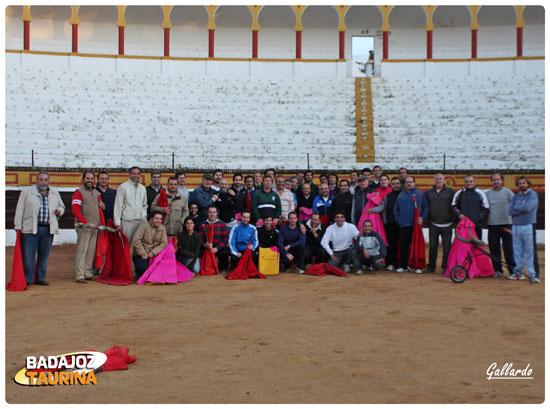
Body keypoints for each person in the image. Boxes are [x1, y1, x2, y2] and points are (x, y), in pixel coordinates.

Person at [14, 171, 65, 285]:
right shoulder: (27, 192)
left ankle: (41, 278)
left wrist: (59, 211)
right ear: (37, 180)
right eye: (41, 180)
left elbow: (62, 206)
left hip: (47, 229)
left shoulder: (54, 192)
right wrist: (18, 226)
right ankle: (28, 278)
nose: (43, 182)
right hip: (30, 228)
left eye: (45, 180)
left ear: (48, 181)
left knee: (44, 255)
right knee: (28, 256)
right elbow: (20, 209)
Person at [72, 170, 104, 283]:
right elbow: (75, 210)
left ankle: (88, 272)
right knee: (82, 250)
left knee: (90, 251)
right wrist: (85, 222)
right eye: (87, 178)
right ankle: (80, 275)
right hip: (84, 227)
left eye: (91, 178)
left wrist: (102, 205)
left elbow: (100, 206)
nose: (89, 180)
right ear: (83, 180)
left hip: (94, 226)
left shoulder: (96, 193)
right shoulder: (78, 192)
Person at [394, 176, 428, 273]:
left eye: (410, 182)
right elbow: (396, 209)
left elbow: (425, 208)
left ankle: (418, 266)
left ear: (414, 183)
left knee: (416, 246)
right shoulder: (400, 195)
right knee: (403, 246)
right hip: (403, 224)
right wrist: (398, 220)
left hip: (416, 225)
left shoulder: (420, 194)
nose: (408, 184)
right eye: (407, 182)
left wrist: (423, 218)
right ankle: (403, 266)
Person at [508, 176, 539, 283]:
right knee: (517, 251)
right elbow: (510, 211)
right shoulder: (516, 196)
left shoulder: (532, 195)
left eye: (523, 183)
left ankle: (532, 274)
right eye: (520, 183)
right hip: (516, 226)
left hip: (527, 225)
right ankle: (519, 273)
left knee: (529, 251)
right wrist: (520, 208)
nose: (522, 185)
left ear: (528, 184)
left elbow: (528, 208)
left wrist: (518, 208)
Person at [485, 172, 515, 277]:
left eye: (498, 179)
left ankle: (512, 271)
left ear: (501, 180)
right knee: (494, 248)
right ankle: (498, 270)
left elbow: (515, 204)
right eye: (494, 179)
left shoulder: (508, 192)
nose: (496, 181)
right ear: (491, 181)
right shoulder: (487, 194)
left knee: (508, 248)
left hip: (506, 224)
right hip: (492, 224)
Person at [425, 173, 455, 273]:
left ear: (444, 180)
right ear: (434, 180)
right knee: (433, 246)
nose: (438, 181)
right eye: (437, 179)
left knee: (447, 247)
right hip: (433, 224)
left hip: (447, 224)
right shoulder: (429, 192)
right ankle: (431, 267)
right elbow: (426, 206)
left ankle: (446, 267)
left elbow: (455, 206)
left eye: (440, 179)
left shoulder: (451, 192)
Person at [113, 166, 148, 244]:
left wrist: (144, 219)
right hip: (127, 222)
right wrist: (118, 224)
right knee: (127, 245)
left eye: (137, 174)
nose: (135, 175)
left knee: (139, 245)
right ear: (129, 174)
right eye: (133, 173)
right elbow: (118, 206)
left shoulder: (142, 188)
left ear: (140, 175)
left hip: (140, 221)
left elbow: (144, 205)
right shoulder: (123, 187)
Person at [130, 210, 168, 279]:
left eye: (160, 219)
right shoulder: (144, 226)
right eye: (156, 218)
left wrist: (153, 253)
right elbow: (136, 240)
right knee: (143, 269)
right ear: (151, 218)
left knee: (162, 269)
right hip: (141, 254)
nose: (158, 221)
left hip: (155, 254)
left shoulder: (162, 228)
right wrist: (143, 254)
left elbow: (164, 243)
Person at [451, 175, 489, 240]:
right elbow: (453, 207)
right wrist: (459, 214)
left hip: (476, 226)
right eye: (467, 182)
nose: (469, 183)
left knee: (477, 246)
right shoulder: (459, 193)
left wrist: (477, 219)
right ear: (464, 183)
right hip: (463, 225)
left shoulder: (480, 193)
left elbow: (486, 209)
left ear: (474, 182)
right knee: (463, 246)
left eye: (471, 181)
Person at [199, 205, 230, 270]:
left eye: (214, 212)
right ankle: (205, 267)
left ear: (216, 213)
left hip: (218, 248)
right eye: (210, 212)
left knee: (225, 253)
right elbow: (200, 239)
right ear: (207, 213)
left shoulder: (222, 224)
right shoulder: (202, 224)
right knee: (199, 252)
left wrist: (217, 248)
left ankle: (221, 267)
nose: (212, 214)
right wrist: (205, 245)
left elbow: (225, 239)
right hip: (206, 247)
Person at [382, 177, 401, 271]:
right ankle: (390, 263)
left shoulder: (404, 195)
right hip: (391, 223)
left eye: (397, 183)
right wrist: (386, 222)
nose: (396, 185)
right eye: (393, 184)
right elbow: (385, 210)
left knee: (403, 244)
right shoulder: (388, 196)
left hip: (402, 224)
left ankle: (402, 263)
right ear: (391, 185)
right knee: (391, 244)